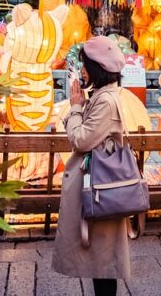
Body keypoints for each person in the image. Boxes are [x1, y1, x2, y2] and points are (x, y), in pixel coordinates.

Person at [52, 36, 132, 295]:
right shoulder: (102, 96)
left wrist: (75, 108)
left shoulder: (106, 101)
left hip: (102, 190)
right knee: (101, 261)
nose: (82, 70)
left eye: (85, 65)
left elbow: (81, 139)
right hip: (100, 188)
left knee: (104, 262)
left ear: (97, 68)